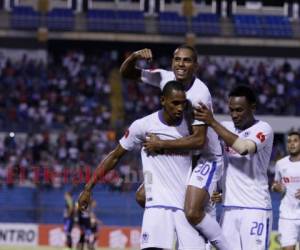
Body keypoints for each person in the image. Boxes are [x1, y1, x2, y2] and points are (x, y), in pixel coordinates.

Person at [120, 45, 229, 250]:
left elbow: (199, 141)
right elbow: (126, 73)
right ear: (172, 62)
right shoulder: (164, 78)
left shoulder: (199, 93)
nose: (181, 64)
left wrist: (161, 144)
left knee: (192, 211)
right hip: (185, 155)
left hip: (207, 157)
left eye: (187, 60)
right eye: (177, 59)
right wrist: (134, 56)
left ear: (195, 66)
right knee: (143, 196)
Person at [78, 81, 206, 250]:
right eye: (175, 103)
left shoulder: (192, 129)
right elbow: (115, 156)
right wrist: (88, 188)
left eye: (183, 103)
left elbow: (201, 160)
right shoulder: (143, 126)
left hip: (187, 208)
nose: (180, 108)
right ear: (163, 100)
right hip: (157, 208)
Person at [194, 85, 274, 250]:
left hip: (255, 208)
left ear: (252, 107)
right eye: (231, 110)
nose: (234, 115)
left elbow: (244, 148)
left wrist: (213, 122)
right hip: (229, 209)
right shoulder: (225, 127)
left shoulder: (263, 129)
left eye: (239, 110)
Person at [272, 131, 300, 250]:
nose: (291, 144)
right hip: (287, 216)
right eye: (289, 141)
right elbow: (275, 184)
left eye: (295, 141)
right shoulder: (280, 164)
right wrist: (276, 188)